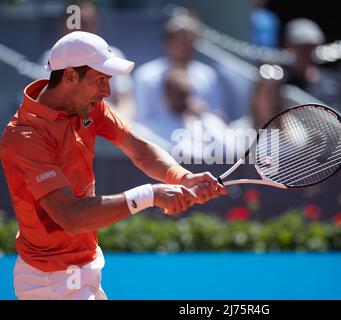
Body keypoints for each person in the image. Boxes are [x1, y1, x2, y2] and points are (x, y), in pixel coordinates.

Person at [0, 31, 227, 300]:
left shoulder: (88, 104)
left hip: (82, 267)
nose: (107, 91)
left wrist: (182, 177)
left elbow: (140, 149)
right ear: (70, 76)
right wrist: (150, 195)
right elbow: (70, 217)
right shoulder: (25, 136)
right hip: (51, 282)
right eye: (100, 80)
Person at [133, 12, 227, 126]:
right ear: (166, 43)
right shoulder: (146, 75)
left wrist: (203, 112)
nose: (184, 46)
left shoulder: (207, 75)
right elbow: (143, 120)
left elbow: (219, 116)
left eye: (189, 40)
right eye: (178, 40)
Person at [153, 66, 228, 162]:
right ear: (165, 96)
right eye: (175, 93)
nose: (179, 98)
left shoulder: (208, 120)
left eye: (183, 93)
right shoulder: (155, 126)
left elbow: (228, 150)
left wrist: (204, 115)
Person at [283, 18, 341, 111]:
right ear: (288, 45)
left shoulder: (331, 83)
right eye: (302, 47)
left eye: (312, 47)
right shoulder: (278, 81)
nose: (307, 52)